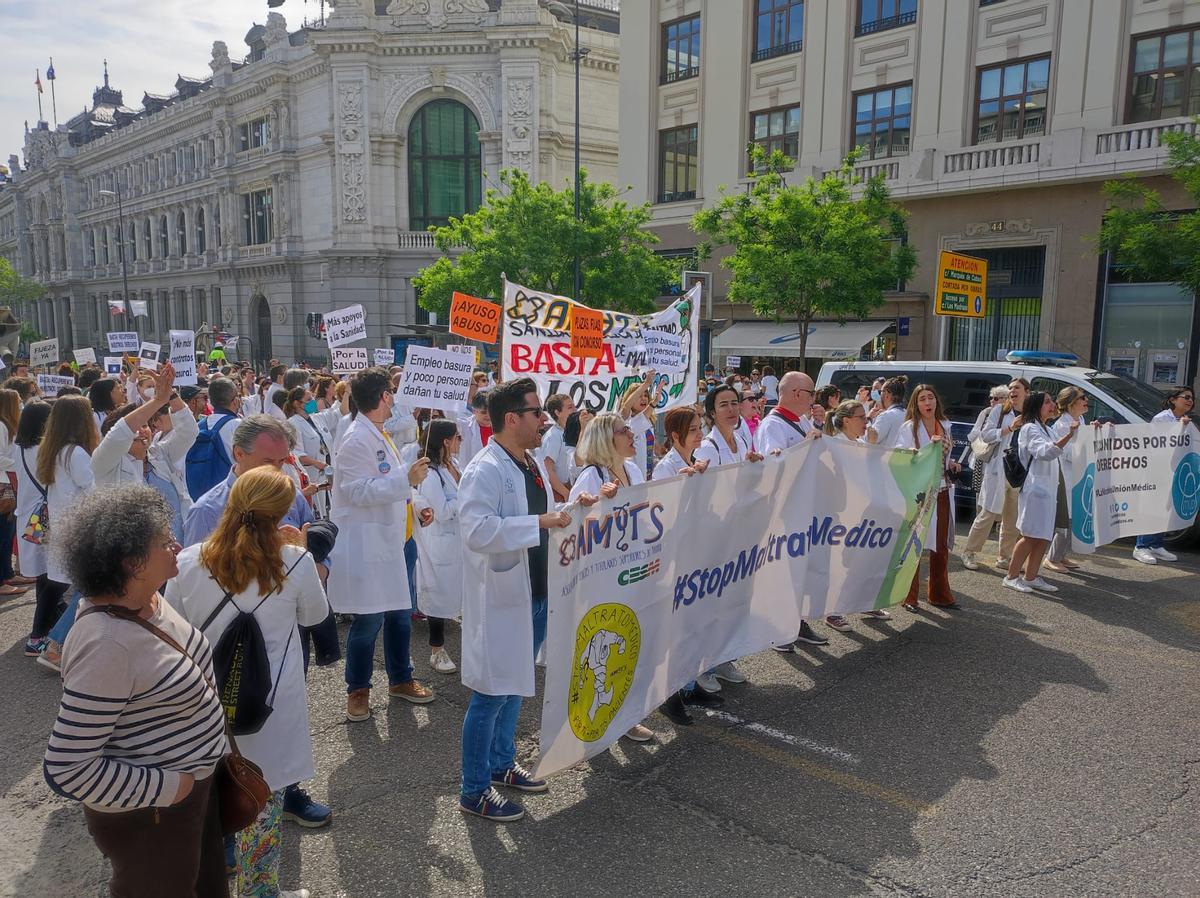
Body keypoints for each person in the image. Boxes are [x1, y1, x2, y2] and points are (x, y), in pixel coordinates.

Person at [43, 485, 229, 898]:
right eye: (164, 542)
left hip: (188, 796)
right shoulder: (107, 642)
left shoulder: (148, 601)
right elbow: (67, 767)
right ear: (132, 563)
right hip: (153, 815)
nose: (176, 545)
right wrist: (174, 787)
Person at [169, 468, 326, 898]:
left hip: (205, 705)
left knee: (207, 806)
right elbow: (314, 617)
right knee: (264, 805)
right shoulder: (294, 560)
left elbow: (171, 627)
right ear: (281, 514)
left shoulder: (188, 561)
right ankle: (260, 892)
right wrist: (299, 550)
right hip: (271, 706)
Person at [182, 413, 335, 830]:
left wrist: (311, 557)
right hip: (219, 658)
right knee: (231, 742)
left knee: (274, 734)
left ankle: (285, 792)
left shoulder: (289, 495)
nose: (282, 471)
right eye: (271, 462)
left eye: (284, 461)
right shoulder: (204, 512)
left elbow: (311, 540)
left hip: (282, 649)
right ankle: (235, 818)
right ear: (238, 455)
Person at [457, 378, 597, 821]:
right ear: (511, 418)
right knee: (489, 696)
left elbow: (547, 516)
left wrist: (584, 505)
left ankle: (502, 763)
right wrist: (537, 522)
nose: (545, 419)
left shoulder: (528, 461)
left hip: (534, 593)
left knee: (516, 684)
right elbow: (476, 530)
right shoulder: (485, 469)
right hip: (500, 597)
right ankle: (473, 788)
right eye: (537, 412)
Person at [329, 367, 435, 722]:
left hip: (398, 539)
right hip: (372, 544)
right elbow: (357, 491)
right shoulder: (356, 439)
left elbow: (393, 484)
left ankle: (400, 679)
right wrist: (406, 478)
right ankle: (357, 689)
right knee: (369, 619)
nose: (395, 398)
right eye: (391, 392)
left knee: (400, 615)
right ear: (384, 397)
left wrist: (417, 502)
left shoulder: (380, 433)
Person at [568, 412, 658, 742]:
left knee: (627, 649)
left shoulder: (633, 470)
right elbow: (573, 523)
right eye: (625, 431)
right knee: (598, 655)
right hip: (601, 580)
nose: (633, 435)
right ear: (608, 439)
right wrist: (597, 504)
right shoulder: (591, 476)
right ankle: (590, 723)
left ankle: (624, 716)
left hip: (632, 572)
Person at [651, 408, 722, 726]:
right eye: (693, 429)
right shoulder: (666, 469)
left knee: (695, 625)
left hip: (696, 554)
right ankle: (669, 696)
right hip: (676, 560)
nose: (699, 434)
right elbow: (661, 518)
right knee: (676, 630)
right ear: (676, 436)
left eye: (700, 428)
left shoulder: (695, 463)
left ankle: (690, 685)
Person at [755, 372, 830, 648]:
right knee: (783, 570)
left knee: (798, 570)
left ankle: (795, 622)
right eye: (812, 394)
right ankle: (780, 629)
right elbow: (773, 466)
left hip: (803, 506)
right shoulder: (772, 425)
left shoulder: (800, 419)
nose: (814, 400)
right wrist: (807, 441)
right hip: (785, 510)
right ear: (798, 394)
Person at [92, 364, 198, 541]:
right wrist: (157, 401)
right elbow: (120, 433)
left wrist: (170, 394)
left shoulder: (160, 454)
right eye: (135, 428)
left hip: (177, 550)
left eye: (145, 426)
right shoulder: (106, 463)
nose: (142, 431)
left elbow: (189, 431)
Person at [34, 395, 100, 671]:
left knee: (87, 590)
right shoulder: (77, 454)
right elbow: (93, 495)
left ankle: (62, 645)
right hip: (81, 531)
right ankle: (56, 645)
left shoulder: (52, 450)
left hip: (64, 529)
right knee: (90, 590)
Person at [1004, 391, 1079, 593]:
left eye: (1052, 401)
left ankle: (1031, 576)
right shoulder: (1029, 428)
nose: (1052, 404)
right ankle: (1011, 576)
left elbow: (1068, 446)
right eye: (1047, 402)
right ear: (1036, 406)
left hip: (1048, 491)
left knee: (1043, 536)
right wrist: (1069, 435)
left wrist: (1088, 432)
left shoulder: (1047, 428)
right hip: (1035, 490)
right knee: (1029, 535)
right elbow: (1045, 452)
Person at [895, 384, 961, 611]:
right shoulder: (908, 428)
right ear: (916, 403)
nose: (927, 402)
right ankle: (909, 597)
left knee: (940, 546)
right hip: (920, 495)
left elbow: (945, 454)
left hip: (942, 489)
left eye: (930, 398)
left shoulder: (945, 425)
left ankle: (940, 595)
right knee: (915, 545)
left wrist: (951, 463)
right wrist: (917, 454)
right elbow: (900, 455)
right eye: (922, 399)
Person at [413, 419, 466, 674]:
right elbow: (442, 512)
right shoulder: (430, 473)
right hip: (440, 542)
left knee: (458, 592)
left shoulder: (452, 465)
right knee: (438, 594)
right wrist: (467, 501)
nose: (460, 442)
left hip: (459, 542)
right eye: (458, 437)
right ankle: (437, 651)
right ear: (446, 441)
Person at [960, 377, 1027, 570]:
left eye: (1017, 387)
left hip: (1018, 472)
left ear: (1026, 392)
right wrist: (1009, 428)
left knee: (1012, 518)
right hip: (998, 469)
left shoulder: (1031, 413)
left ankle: (1004, 557)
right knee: (988, 513)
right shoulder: (1000, 411)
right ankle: (969, 552)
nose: (1013, 390)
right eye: (1011, 387)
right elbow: (985, 435)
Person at [15, 400, 62, 656]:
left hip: (29, 518)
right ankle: (38, 634)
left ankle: (50, 619)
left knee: (45, 574)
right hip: (45, 517)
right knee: (54, 576)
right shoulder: (47, 450)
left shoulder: (18, 447)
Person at [1133, 385, 1194, 564]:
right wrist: (1179, 428)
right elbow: (1157, 443)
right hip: (1156, 469)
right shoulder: (1162, 418)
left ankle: (1156, 544)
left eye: (1192, 398)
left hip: (1174, 470)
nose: (1190, 401)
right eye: (1186, 397)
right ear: (1173, 399)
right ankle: (1141, 546)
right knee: (1151, 507)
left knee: (1164, 509)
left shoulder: (1185, 420)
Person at [1045, 387, 1090, 572]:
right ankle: (1052, 558)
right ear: (1071, 403)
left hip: (1079, 477)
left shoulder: (1081, 419)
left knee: (1074, 518)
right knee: (1065, 521)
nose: (1086, 400)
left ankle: (1062, 556)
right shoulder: (1062, 425)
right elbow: (1068, 453)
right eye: (1082, 398)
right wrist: (1088, 449)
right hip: (1066, 478)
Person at [694, 384, 762, 469]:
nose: (731, 409)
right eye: (723, 405)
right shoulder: (707, 448)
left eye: (734, 403)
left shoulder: (742, 441)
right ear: (713, 413)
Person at [0, 388, 23, 597]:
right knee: (2, 533)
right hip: (3, 481)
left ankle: (7, 573)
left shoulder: (9, 426)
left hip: (9, 478)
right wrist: (19, 464)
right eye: (17, 401)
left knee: (8, 532)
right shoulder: (1, 426)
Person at [620, 371, 658, 479]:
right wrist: (646, 384)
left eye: (646, 395)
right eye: (639, 396)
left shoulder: (649, 423)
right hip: (632, 478)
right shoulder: (625, 422)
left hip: (648, 478)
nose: (644, 399)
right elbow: (626, 407)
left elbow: (649, 452)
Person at [539, 393, 576, 501]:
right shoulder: (553, 436)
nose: (575, 409)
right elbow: (547, 469)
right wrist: (566, 494)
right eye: (570, 407)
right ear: (557, 412)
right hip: (559, 495)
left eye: (574, 406)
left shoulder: (570, 433)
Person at [866, 375, 907, 448]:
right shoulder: (907, 414)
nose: (879, 394)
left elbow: (871, 440)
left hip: (884, 459)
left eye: (881, 391)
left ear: (887, 394)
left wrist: (868, 419)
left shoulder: (886, 416)